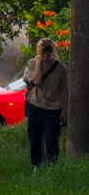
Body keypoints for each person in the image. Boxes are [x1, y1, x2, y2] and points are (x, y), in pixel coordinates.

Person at [23, 37, 68, 168]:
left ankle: (52, 166)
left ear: (52, 51)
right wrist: (38, 63)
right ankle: (36, 166)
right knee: (35, 137)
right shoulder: (32, 63)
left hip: (53, 108)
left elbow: (63, 91)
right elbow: (35, 81)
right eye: (43, 53)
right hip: (35, 105)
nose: (45, 56)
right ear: (39, 52)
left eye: (48, 53)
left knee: (51, 139)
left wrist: (65, 111)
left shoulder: (60, 68)